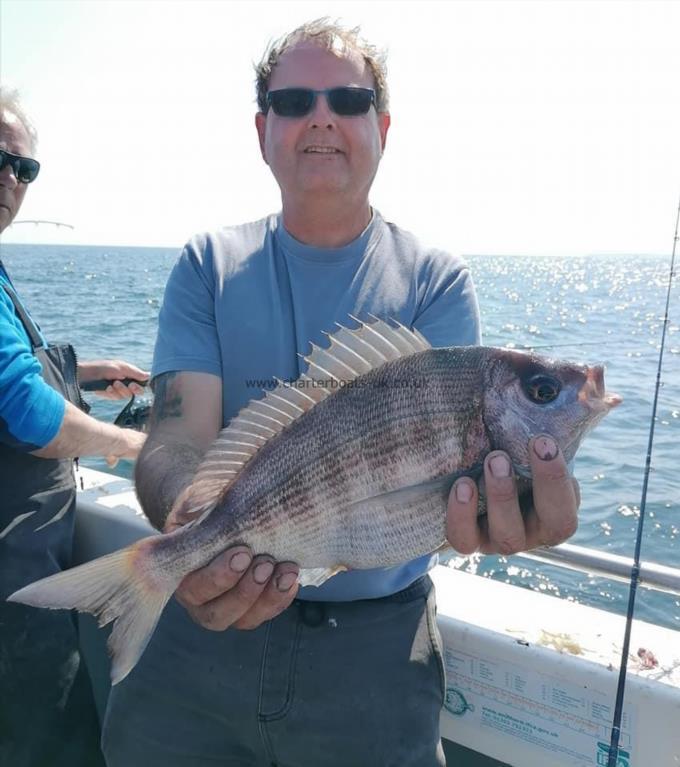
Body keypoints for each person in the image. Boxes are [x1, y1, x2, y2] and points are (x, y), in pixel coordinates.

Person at [103, 20, 579, 767]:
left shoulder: (436, 281)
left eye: (348, 98)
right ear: (263, 130)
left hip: (376, 657)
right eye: (293, 100)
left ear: (381, 127)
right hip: (197, 638)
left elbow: (449, 498)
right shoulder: (207, 263)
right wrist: (189, 534)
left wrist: (505, 508)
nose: (320, 115)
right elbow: (176, 437)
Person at [0, 87, 148, 767]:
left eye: (23, 169)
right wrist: (132, 444)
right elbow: (28, 413)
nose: (10, 177)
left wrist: (87, 371)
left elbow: (13, 366)